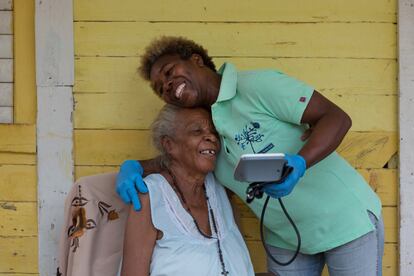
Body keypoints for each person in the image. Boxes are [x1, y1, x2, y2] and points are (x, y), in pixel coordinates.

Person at [116, 36, 384, 276]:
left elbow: (336, 118)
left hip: (342, 220)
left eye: (169, 72)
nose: (167, 85)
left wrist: (301, 162)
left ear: (196, 60)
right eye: (161, 87)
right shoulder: (206, 130)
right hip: (286, 238)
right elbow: (177, 160)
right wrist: (134, 167)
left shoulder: (256, 86)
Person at [121, 105, 255, 276]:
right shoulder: (150, 196)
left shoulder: (222, 187)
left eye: (213, 132)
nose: (211, 137)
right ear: (169, 145)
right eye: (197, 131)